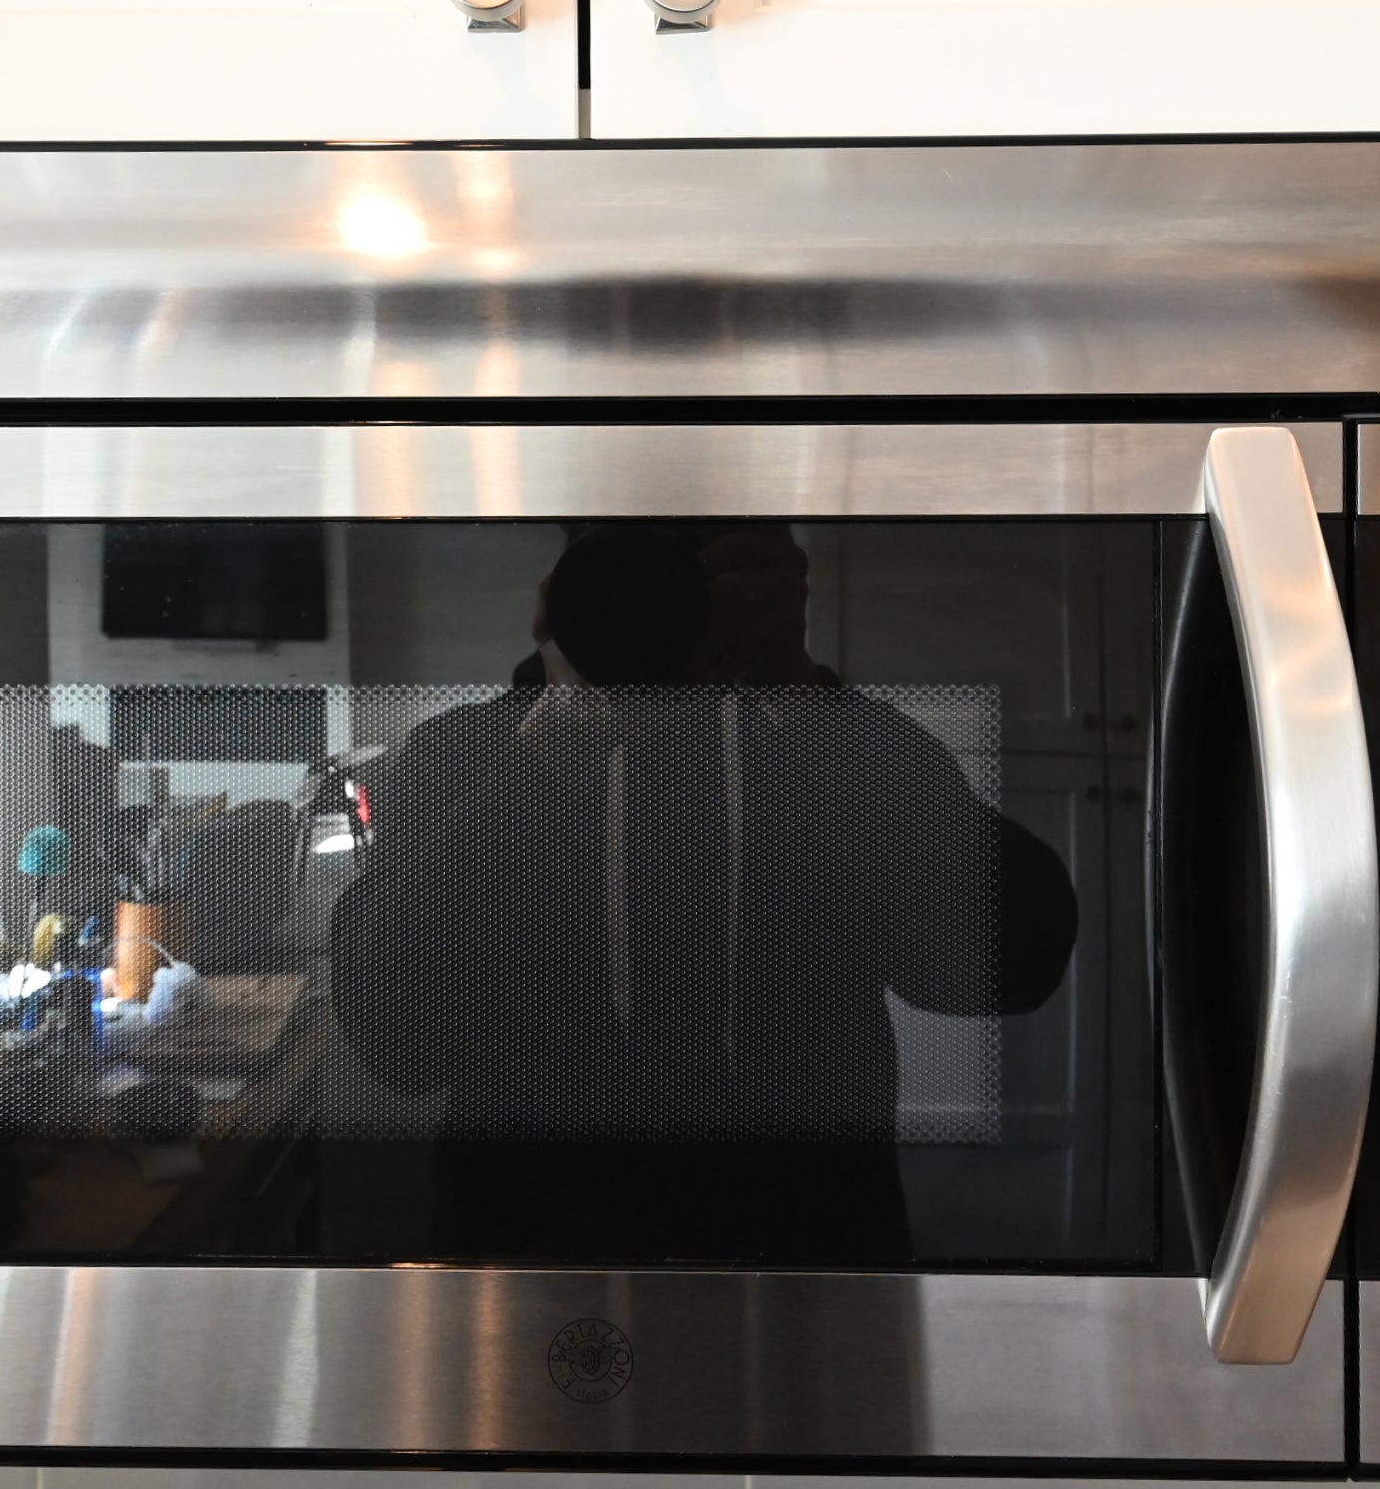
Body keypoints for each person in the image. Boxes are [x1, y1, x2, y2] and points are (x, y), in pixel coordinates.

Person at [328, 522, 1078, 1264]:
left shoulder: (837, 748)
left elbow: (1008, 967)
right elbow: (400, 1042)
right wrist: (557, 737)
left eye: (702, 576)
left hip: (810, 1255)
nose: (661, 608)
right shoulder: (465, 756)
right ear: (562, 594)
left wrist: (808, 699)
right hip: (531, 1252)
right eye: (628, 582)